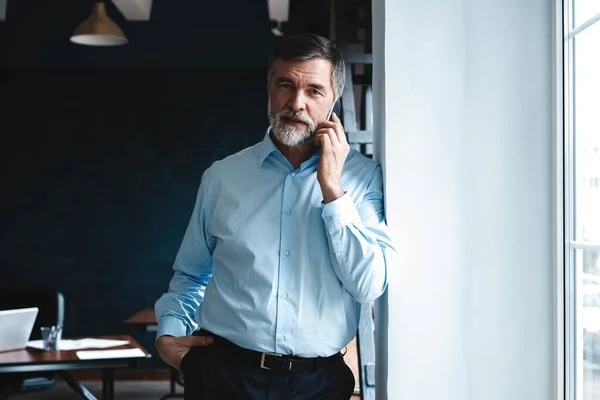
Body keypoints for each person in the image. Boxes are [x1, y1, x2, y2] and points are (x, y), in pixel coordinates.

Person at [154, 32, 398, 399]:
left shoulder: (364, 180)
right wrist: (168, 339)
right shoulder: (222, 177)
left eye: (314, 90)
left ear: (334, 99)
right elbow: (190, 274)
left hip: (319, 384)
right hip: (223, 376)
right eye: (286, 85)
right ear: (269, 88)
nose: (296, 103)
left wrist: (333, 189)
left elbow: (369, 286)